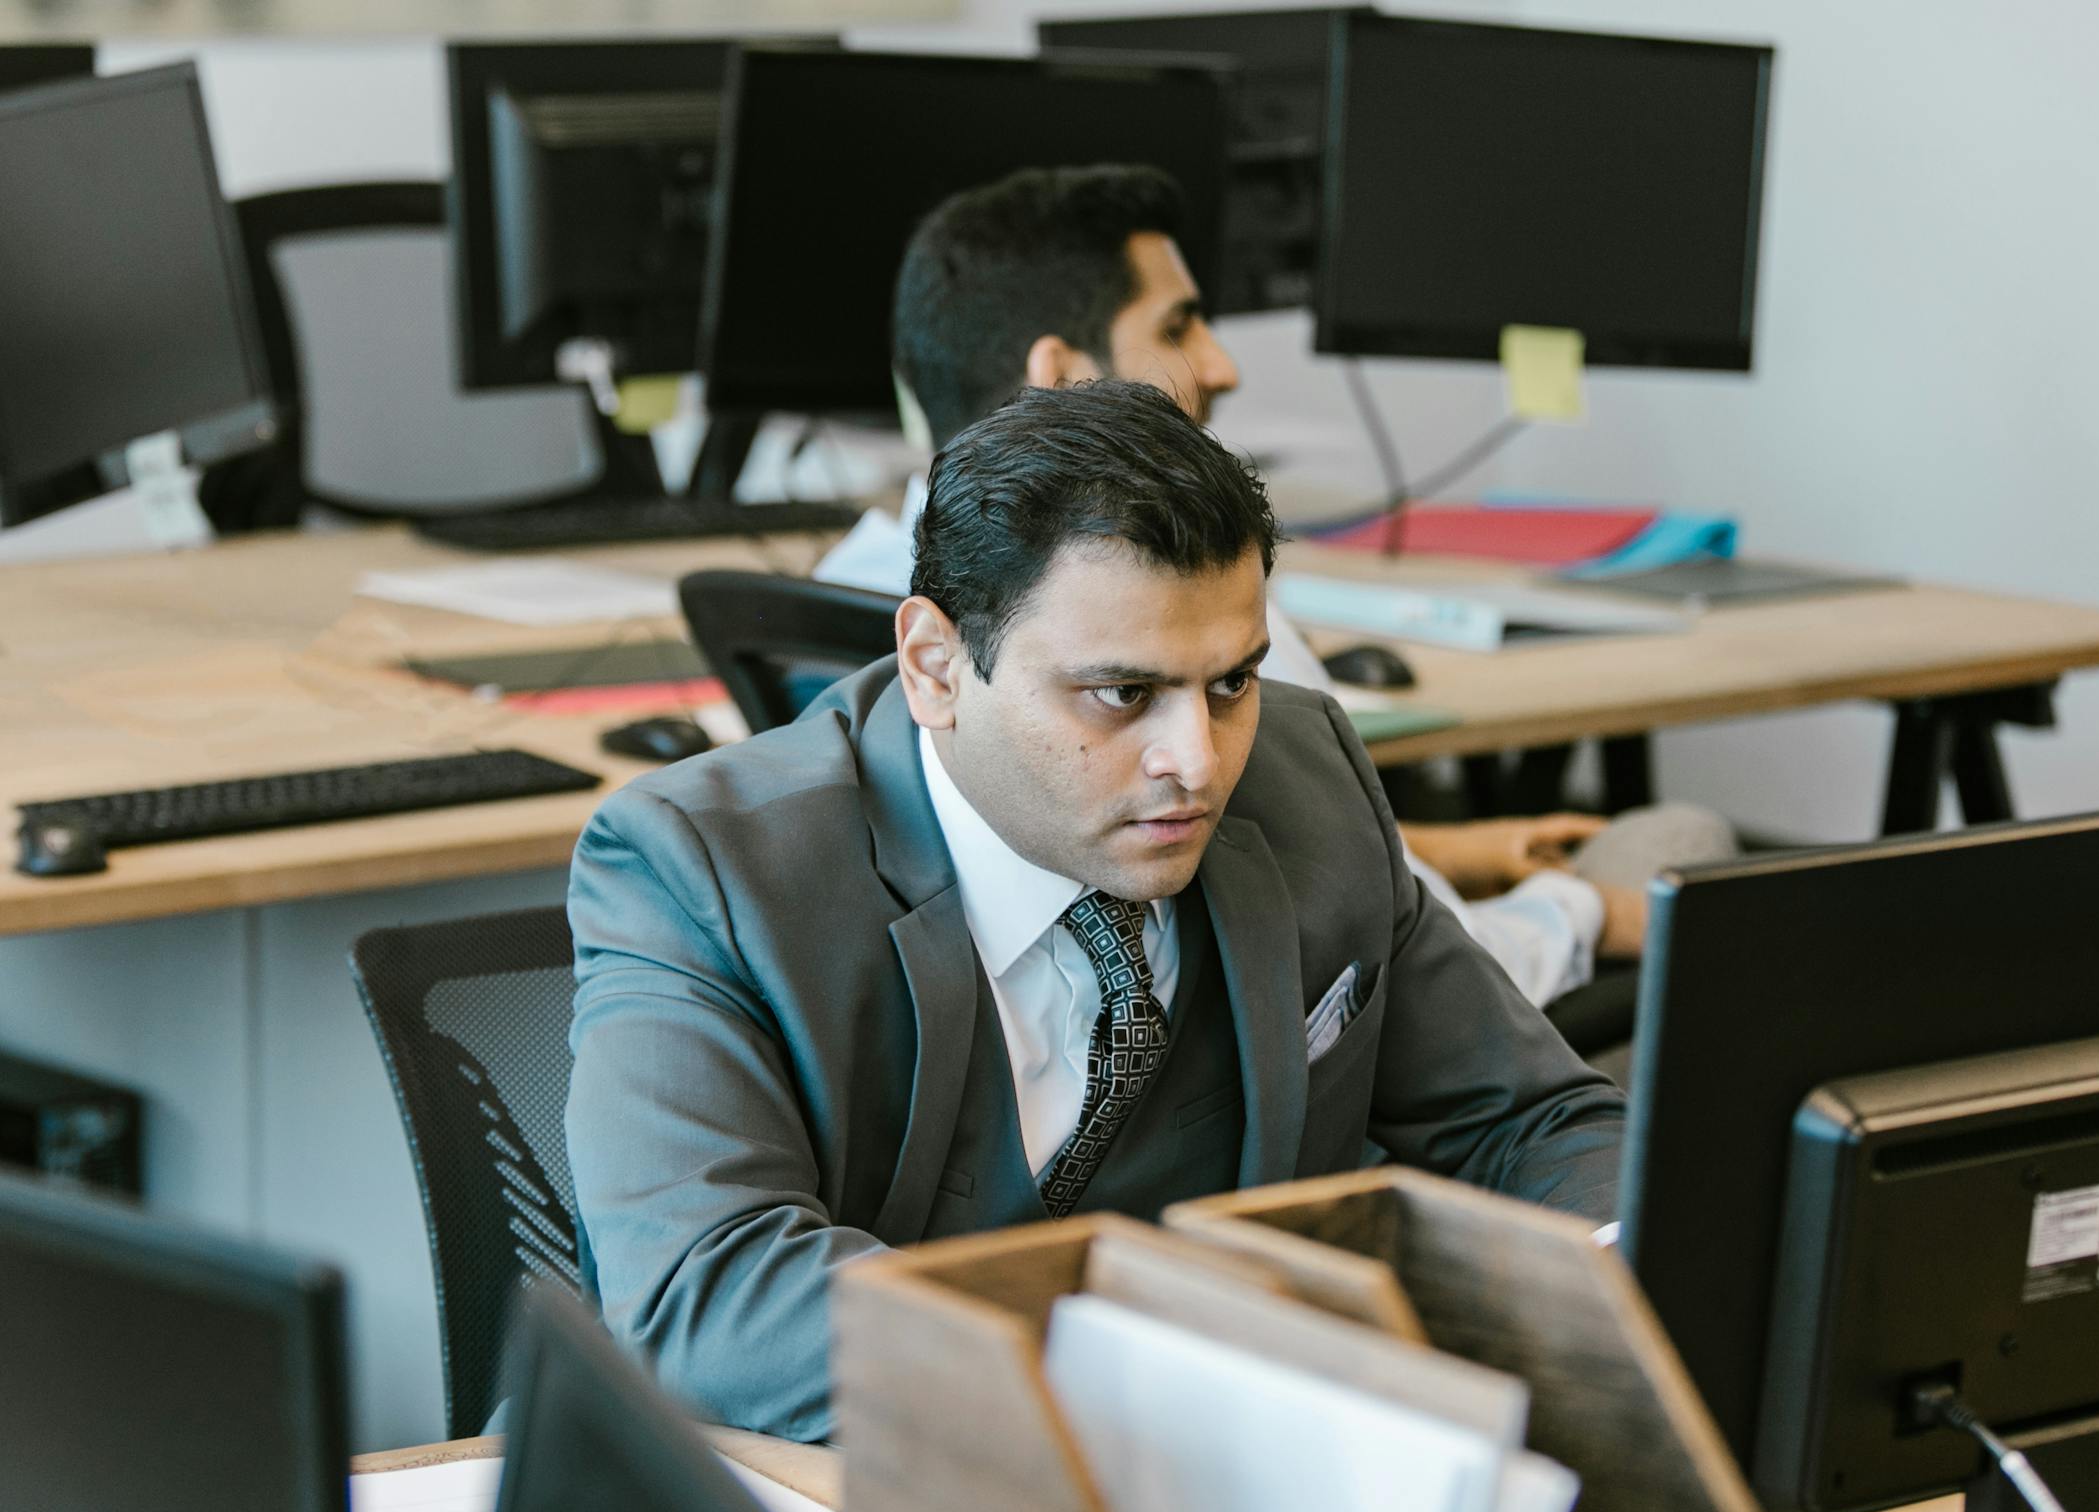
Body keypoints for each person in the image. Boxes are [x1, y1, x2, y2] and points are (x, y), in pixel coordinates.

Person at [567, 380, 1624, 1440]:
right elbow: (715, 1298)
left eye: (1231, 684)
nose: (1197, 764)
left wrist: (1624, 1269)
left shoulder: (1307, 781)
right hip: (823, 1499)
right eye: (1121, 694)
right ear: (936, 668)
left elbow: (1529, 1122)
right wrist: (1179, 1373)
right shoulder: (701, 868)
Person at [816, 165, 1732, 1008]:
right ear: (1061, 377)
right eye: (1177, 327)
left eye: (1229, 689)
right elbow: (1411, 976)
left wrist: (1438, 853)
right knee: (1685, 845)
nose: (1223, 365)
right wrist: (1588, 915)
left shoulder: (853, 579)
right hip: (1301, 1048)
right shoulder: (1201, 614)